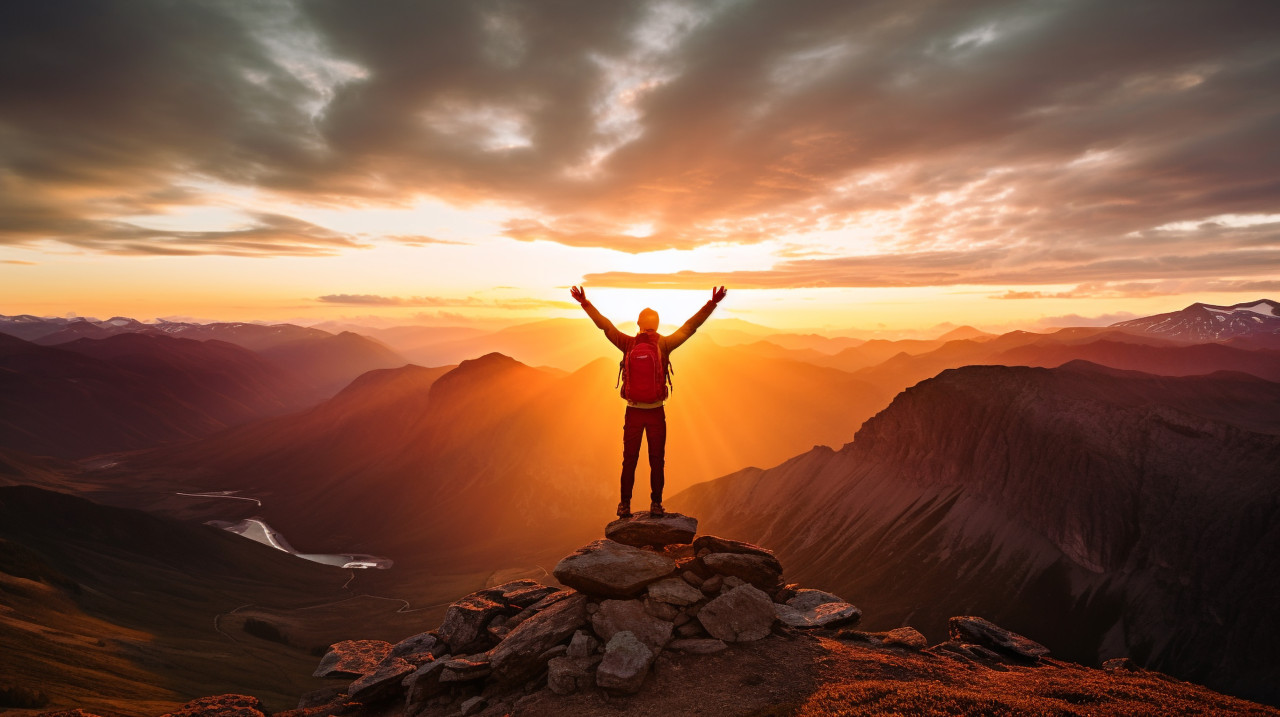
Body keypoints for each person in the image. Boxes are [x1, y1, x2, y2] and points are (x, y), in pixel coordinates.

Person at [570, 285, 727, 518]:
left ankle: (625, 505)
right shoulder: (664, 345)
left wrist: (585, 303)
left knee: (629, 460)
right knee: (657, 460)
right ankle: (656, 504)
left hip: (633, 412)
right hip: (656, 412)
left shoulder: (627, 344)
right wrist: (712, 303)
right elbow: (690, 326)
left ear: (638, 324)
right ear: (657, 324)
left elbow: (605, 326)